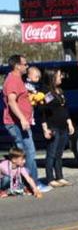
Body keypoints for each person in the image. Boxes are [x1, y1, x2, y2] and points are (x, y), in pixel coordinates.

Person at [2, 55, 50, 193]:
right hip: (16, 123)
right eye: (25, 64)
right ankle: (33, 184)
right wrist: (23, 118)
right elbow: (11, 101)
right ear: (17, 66)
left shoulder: (18, 80)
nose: (27, 66)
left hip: (21, 122)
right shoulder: (12, 80)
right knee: (28, 153)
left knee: (25, 153)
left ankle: (25, 183)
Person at [39, 69, 75, 187]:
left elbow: (65, 108)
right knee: (51, 153)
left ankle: (60, 176)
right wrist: (45, 128)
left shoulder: (60, 91)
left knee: (59, 153)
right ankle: (50, 178)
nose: (61, 77)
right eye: (59, 75)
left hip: (63, 125)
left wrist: (69, 123)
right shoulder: (45, 93)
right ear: (52, 77)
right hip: (52, 126)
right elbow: (42, 112)